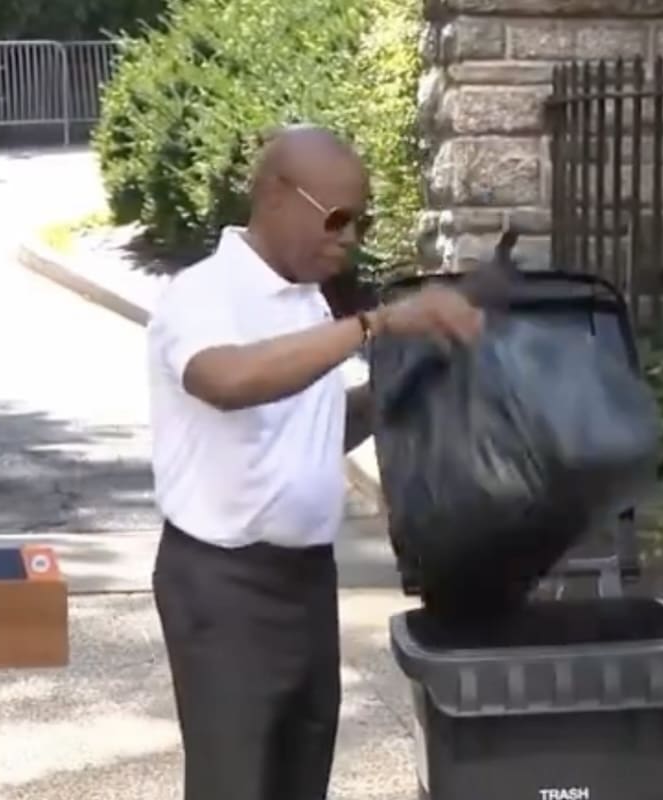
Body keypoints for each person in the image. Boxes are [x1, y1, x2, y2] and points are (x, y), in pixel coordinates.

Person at [145, 124, 485, 800]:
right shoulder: (202, 294)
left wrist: (404, 389)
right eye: (336, 218)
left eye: (360, 220)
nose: (349, 236)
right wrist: (373, 325)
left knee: (299, 778)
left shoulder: (304, 298)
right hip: (223, 584)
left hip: (304, 580)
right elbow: (228, 382)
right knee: (235, 784)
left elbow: (309, 429)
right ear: (275, 195)